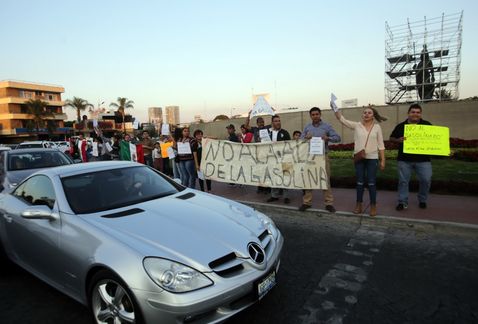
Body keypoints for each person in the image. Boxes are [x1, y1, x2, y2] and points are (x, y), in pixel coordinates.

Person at [334, 107, 386, 216]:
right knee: (359, 183)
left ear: (373, 115)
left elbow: (381, 145)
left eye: (369, 113)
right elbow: (342, 120)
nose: (366, 114)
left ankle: (373, 205)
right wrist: (334, 108)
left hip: (372, 158)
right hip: (359, 158)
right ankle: (359, 204)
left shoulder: (377, 127)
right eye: (365, 112)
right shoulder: (357, 125)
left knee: (371, 183)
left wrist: (383, 160)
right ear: (362, 115)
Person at [390, 103, 433, 210]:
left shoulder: (427, 125)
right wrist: (398, 140)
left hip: (423, 160)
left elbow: (435, 140)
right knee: (403, 181)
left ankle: (422, 199)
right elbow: (391, 138)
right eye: (413, 112)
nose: (415, 114)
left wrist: (444, 150)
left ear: (421, 114)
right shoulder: (401, 126)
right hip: (404, 160)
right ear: (408, 113)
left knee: (426, 180)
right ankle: (402, 201)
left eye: (418, 112)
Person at [299, 107, 341, 213]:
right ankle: (306, 202)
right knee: (309, 179)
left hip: (323, 156)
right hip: (311, 157)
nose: (315, 116)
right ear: (310, 116)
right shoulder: (307, 127)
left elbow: (337, 137)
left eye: (317, 114)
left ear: (320, 114)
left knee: (325, 179)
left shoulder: (326, 126)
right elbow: (300, 140)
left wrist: (328, 138)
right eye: (313, 114)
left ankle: (329, 203)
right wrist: (305, 138)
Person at [266, 115, 291, 204]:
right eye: (276, 121)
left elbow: (289, 146)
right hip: (272, 159)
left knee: (285, 177)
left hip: (283, 159)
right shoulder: (268, 133)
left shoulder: (285, 133)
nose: (278, 122)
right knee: (274, 177)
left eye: (279, 121)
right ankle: (274, 195)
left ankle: (286, 196)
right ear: (272, 123)